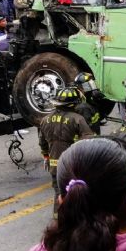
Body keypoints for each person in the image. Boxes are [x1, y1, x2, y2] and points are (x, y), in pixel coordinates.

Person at [38, 86, 94, 214]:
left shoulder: (45, 120)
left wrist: (46, 156)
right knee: (78, 192)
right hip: (73, 164)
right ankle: (77, 219)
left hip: (54, 165)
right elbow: (88, 141)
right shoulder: (77, 119)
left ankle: (59, 220)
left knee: (59, 191)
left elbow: (42, 143)